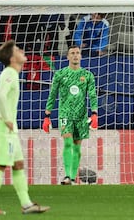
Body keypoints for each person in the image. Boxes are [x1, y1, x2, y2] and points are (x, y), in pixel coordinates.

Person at [0, 40, 50, 215]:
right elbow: (0, 95)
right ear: (12, 58)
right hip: (2, 128)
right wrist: (6, 119)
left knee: (18, 164)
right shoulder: (9, 73)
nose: (22, 51)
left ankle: (27, 204)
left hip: (9, 129)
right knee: (0, 165)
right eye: (18, 50)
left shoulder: (12, 73)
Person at [42, 45, 98, 185]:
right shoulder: (60, 74)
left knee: (77, 146)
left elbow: (92, 95)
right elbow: (52, 94)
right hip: (65, 113)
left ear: (81, 56)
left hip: (81, 115)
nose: (75, 55)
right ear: (67, 56)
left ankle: (72, 178)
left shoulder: (88, 75)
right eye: (72, 53)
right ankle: (68, 176)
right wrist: (47, 115)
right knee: (67, 142)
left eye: (77, 53)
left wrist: (95, 113)